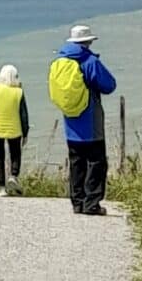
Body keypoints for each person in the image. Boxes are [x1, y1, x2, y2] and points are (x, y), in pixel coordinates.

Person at [49, 25, 116, 215]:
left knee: (76, 162)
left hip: (71, 122)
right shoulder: (89, 61)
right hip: (90, 121)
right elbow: (109, 85)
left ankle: (77, 202)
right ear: (88, 42)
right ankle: (91, 203)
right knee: (96, 162)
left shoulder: (60, 62)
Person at [0, 64, 30, 197]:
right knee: (15, 154)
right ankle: (13, 175)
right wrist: (25, 133)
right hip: (15, 130)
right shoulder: (18, 92)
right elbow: (24, 115)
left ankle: (2, 188)